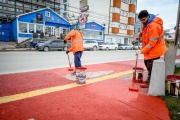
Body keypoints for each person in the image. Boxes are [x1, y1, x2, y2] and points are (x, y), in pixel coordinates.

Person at [135, 10, 166, 88]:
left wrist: (141, 51)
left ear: (148, 17)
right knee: (148, 66)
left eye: (143, 19)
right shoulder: (146, 24)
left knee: (151, 67)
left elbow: (152, 42)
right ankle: (149, 80)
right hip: (149, 51)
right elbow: (146, 33)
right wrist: (140, 34)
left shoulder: (153, 26)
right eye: (140, 20)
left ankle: (150, 84)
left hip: (155, 50)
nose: (142, 22)